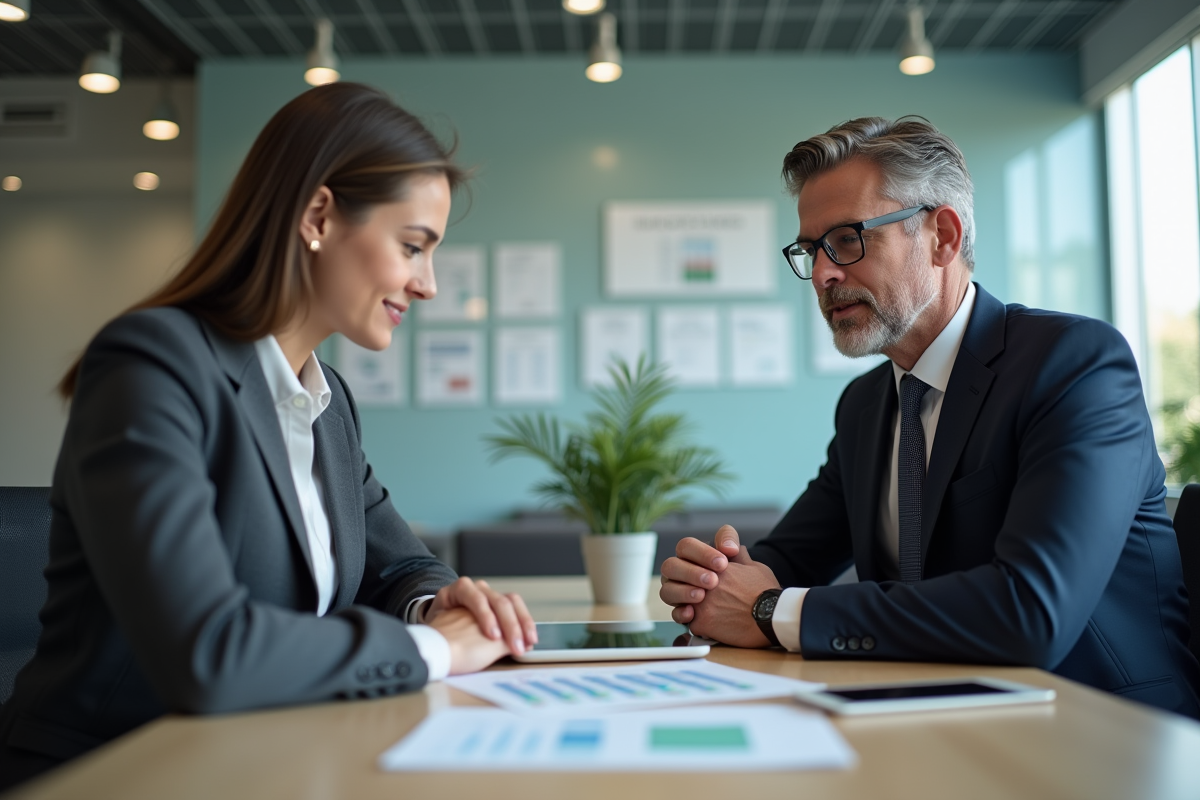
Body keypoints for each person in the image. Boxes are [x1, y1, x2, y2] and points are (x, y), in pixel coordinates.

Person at [0, 83, 538, 789]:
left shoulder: (325, 399)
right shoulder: (154, 362)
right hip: (121, 772)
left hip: (273, 759)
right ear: (318, 214)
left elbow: (399, 567)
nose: (428, 283)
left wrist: (437, 604)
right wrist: (434, 649)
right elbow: (208, 652)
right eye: (413, 246)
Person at [659, 116, 1200, 719]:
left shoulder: (1074, 365)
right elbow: (779, 564)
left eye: (845, 240)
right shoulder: (866, 406)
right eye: (811, 250)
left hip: (1102, 732)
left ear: (942, 236)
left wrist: (771, 610)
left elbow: (1031, 611)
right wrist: (712, 580)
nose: (822, 274)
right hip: (924, 716)